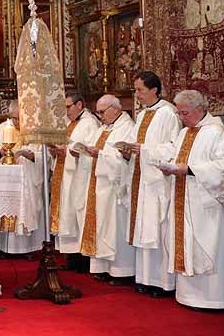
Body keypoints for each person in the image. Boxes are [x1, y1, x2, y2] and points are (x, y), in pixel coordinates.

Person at [143, 90, 224, 309]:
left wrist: (190, 169)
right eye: (179, 113)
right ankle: (187, 296)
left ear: (199, 109)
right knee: (185, 246)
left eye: (184, 113)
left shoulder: (216, 132)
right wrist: (168, 168)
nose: (181, 118)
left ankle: (213, 300)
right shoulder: (185, 133)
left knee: (207, 247)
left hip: (206, 205)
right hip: (183, 201)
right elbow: (175, 156)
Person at [115, 72, 181, 297]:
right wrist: (126, 151)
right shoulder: (143, 116)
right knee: (142, 228)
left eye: (140, 90)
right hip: (139, 178)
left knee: (156, 229)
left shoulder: (168, 114)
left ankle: (162, 282)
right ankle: (144, 278)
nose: (137, 95)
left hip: (156, 181)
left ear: (154, 90)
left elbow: (173, 148)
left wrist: (144, 150)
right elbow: (135, 142)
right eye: (135, 90)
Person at [77, 95, 135, 282]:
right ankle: (102, 266)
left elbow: (125, 158)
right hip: (98, 183)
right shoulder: (103, 128)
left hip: (114, 187)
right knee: (101, 225)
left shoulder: (127, 128)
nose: (99, 116)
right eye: (98, 112)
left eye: (102, 112)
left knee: (114, 227)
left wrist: (100, 153)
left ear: (116, 109)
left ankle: (121, 270)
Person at [50, 92, 101, 268]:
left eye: (68, 106)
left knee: (75, 213)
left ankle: (81, 258)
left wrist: (69, 152)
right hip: (65, 175)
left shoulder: (90, 124)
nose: (66, 111)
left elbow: (90, 150)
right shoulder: (69, 123)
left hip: (79, 177)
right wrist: (55, 151)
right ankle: (70, 256)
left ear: (79, 105)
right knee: (66, 213)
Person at [0, 100, 43, 255]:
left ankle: (29, 248)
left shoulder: (35, 129)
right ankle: (5, 247)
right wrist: (1, 151)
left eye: (19, 118)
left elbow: (44, 155)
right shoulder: (3, 128)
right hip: (7, 179)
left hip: (28, 177)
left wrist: (29, 154)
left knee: (28, 208)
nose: (16, 122)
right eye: (14, 118)